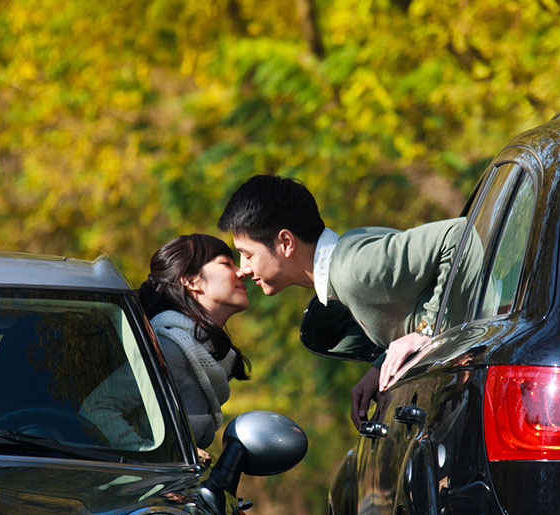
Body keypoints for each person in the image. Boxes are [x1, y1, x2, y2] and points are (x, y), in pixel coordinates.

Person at [217, 174, 482, 427]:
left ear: (286, 242)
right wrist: (381, 367)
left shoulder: (353, 270)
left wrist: (427, 331)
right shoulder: (348, 263)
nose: (243, 269)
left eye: (247, 254)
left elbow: (460, 236)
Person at [139, 234, 250, 449]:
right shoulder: (168, 350)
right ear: (191, 281)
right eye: (227, 264)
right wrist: (155, 458)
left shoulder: (207, 355)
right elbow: (99, 409)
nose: (242, 272)